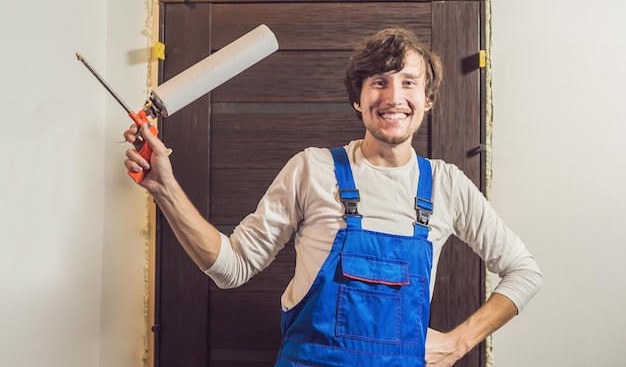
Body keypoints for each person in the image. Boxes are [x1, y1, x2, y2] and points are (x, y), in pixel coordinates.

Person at [124, 27, 542, 367]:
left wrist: (457, 343)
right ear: (357, 99)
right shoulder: (312, 169)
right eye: (379, 82)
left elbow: (524, 271)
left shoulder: (446, 186)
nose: (394, 97)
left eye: (408, 83)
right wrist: (165, 187)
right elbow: (232, 267)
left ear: (427, 100)